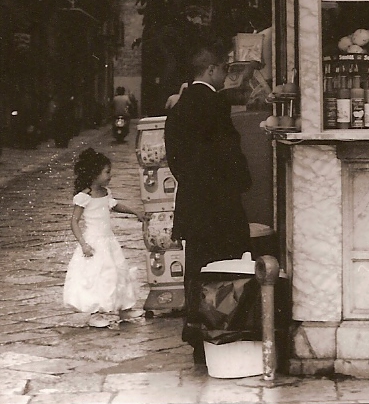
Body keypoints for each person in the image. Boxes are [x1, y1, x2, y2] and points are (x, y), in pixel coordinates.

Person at [164, 41, 252, 363]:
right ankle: (221, 332)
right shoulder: (214, 105)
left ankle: (196, 335)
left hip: (193, 203)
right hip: (221, 204)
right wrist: (241, 181)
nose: (226, 75)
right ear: (211, 69)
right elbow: (228, 153)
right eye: (224, 69)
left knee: (197, 270)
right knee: (225, 270)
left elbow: (176, 160)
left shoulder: (179, 107)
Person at [63, 147, 145, 328]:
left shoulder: (106, 193)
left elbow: (115, 206)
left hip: (109, 241)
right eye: (107, 172)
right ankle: (96, 313)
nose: (110, 176)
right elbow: (74, 222)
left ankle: (125, 308)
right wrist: (83, 244)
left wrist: (134, 212)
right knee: (99, 276)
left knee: (119, 271)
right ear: (94, 174)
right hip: (94, 243)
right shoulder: (84, 196)